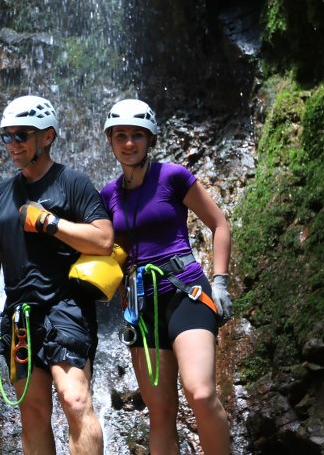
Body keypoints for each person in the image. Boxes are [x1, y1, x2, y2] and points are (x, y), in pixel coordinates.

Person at [0, 95, 114, 455]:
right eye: (7, 136)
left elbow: (104, 239)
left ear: (46, 137)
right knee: (32, 413)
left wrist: (50, 223)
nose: (12, 144)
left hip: (67, 307)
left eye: (21, 135)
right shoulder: (0, 195)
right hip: (19, 314)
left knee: (76, 399)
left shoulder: (73, 183)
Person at [99, 99, 232, 455]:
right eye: (121, 136)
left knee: (201, 393)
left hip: (184, 291)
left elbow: (219, 224)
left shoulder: (173, 176)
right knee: (160, 414)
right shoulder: (108, 196)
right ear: (111, 140)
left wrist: (219, 281)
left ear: (150, 140)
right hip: (142, 307)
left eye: (137, 136)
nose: (129, 143)